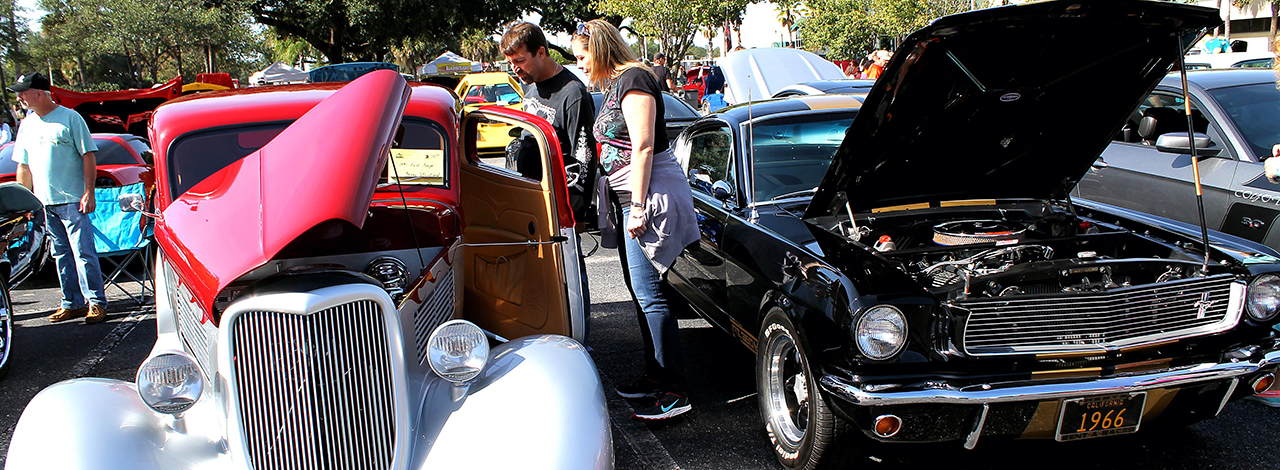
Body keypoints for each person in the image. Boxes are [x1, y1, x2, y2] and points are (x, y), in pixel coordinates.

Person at [573, 19, 700, 421]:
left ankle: (674, 389)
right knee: (641, 292)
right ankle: (655, 377)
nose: (580, 65)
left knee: (651, 295)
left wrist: (640, 206)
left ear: (601, 49)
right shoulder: (617, 85)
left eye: (582, 56)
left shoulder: (635, 80)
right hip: (630, 197)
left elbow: (643, 146)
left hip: (646, 197)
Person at [500, 21, 597, 343]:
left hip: (560, 205)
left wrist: (577, 213)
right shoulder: (529, 86)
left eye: (520, 61)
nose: (516, 69)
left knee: (568, 277)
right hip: (530, 197)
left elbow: (584, 156)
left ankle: (578, 341)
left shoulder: (572, 93)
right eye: (511, 63)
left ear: (541, 52)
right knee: (537, 274)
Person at [9, 72, 107, 324]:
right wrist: (25, 202)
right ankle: (72, 302)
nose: (19, 97)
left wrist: (88, 192)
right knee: (60, 253)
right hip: (44, 203)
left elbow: (88, 156)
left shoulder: (71, 118)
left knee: (83, 252)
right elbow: (24, 165)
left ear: (39, 93)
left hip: (74, 200)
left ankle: (96, 302)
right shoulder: (27, 124)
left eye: (23, 92)